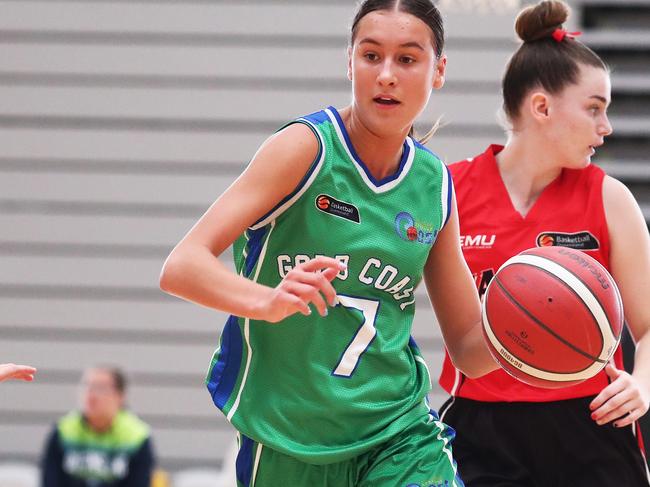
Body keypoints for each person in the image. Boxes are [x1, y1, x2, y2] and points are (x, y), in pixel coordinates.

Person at [159, 0, 498, 485]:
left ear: (438, 70)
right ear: (349, 62)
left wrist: (526, 333)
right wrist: (268, 301)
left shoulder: (433, 183)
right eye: (371, 55)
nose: (386, 75)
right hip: (288, 434)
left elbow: (468, 348)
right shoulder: (307, 149)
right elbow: (182, 265)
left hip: (397, 430)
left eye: (407, 58)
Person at [437, 1, 650, 485]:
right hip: (480, 427)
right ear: (542, 107)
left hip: (591, 421)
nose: (607, 127)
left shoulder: (610, 198)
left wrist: (643, 384)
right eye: (594, 108)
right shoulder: (448, 190)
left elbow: (649, 325)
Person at [41, 366, 155, 487]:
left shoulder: (137, 437)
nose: (91, 394)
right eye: (87, 386)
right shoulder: (63, 431)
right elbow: (49, 481)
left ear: (120, 396)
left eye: (100, 388)